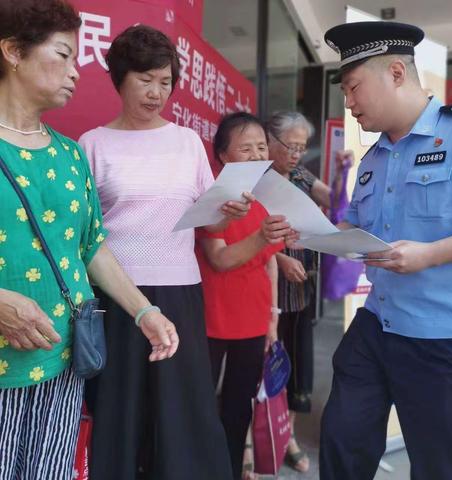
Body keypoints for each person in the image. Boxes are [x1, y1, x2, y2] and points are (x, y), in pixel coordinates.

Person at [0, 2, 178, 479]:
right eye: (63, 55)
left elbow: (92, 247)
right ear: (13, 52)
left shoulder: (71, 154)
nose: (76, 73)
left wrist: (145, 311)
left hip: (63, 360)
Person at [79, 25, 252, 480]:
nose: (157, 93)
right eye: (145, 80)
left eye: (166, 81)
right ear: (119, 79)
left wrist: (228, 213)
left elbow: (207, 221)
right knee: (119, 406)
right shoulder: (92, 144)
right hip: (116, 296)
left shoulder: (187, 143)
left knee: (181, 408)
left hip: (179, 290)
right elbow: (84, 235)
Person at [320, 21, 452, 480]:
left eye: (353, 88)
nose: (348, 103)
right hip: (376, 324)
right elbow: (359, 226)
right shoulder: (373, 159)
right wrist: (310, 231)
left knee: (444, 465)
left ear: (395, 72)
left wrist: (430, 255)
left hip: (444, 335)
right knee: (342, 439)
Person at [196, 111, 294, 480]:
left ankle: (233, 469)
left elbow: (269, 263)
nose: (256, 155)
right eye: (246, 148)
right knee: (202, 404)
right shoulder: (215, 197)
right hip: (211, 317)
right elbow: (219, 259)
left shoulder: (266, 197)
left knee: (239, 408)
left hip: (253, 319)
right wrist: (262, 238)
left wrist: (273, 317)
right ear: (222, 155)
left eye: (261, 148)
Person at [266, 111, 352, 473]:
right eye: (291, 146)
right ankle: (266, 435)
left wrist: (339, 172)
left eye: (302, 147)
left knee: (297, 360)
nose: (297, 154)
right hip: (268, 285)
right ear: (271, 139)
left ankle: (289, 434)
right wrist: (282, 259)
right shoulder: (258, 177)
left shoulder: (300, 175)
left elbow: (332, 200)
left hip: (300, 286)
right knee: (269, 358)